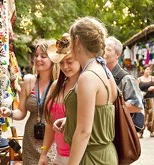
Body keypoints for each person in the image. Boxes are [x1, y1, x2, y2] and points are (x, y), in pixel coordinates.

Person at [54, 17, 118, 165]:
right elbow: (100, 112)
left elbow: (84, 132)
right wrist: (70, 120)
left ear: (77, 41)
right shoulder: (104, 70)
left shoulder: (88, 77)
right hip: (105, 154)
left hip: (91, 158)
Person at [0, 41, 57, 164]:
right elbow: (21, 112)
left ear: (53, 59)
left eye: (43, 56)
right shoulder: (29, 81)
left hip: (53, 141)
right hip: (30, 139)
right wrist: (10, 113)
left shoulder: (59, 84)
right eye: (36, 55)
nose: (38, 59)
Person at [38, 33, 81, 165]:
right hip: (59, 155)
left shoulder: (86, 85)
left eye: (69, 61)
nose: (65, 66)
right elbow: (51, 124)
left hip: (80, 156)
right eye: (61, 62)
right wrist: (44, 153)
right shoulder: (56, 85)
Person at [103, 36, 144, 132]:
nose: (103, 52)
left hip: (119, 130)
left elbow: (137, 106)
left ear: (118, 54)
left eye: (108, 49)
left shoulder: (126, 78)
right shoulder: (99, 74)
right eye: (102, 48)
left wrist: (107, 108)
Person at [137, 65, 154, 138]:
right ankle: (140, 132)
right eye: (147, 69)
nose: (148, 71)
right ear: (144, 70)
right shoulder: (139, 79)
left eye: (150, 70)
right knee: (143, 115)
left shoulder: (152, 78)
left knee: (151, 115)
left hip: (151, 98)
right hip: (142, 99)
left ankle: (151, 131)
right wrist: (141, 93)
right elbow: (136, 89)